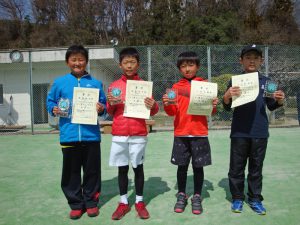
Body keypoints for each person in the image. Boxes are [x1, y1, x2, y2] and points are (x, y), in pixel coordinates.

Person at [223, 44, 285, 215]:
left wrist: (279, 100)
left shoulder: (268, 82)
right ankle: (237, 198)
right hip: (239, 132)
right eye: (248, 57)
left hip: (259, 132)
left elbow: (271, 106)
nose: (252, 60)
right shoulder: (234, 81)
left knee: (256, 168)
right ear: (241, 60)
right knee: (236, 168)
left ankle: (255, 199)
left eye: (256, 58)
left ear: (261, 61)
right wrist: (226, 96)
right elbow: (227, 107)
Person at [47, 45, 106, 219]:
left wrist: (101, 108)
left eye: (81, 59)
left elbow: (104, 106)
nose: (77, 63)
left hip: (91, 136)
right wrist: (54, 109)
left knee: (92, 171)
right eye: (73, 59)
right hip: (69, 135)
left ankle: (91, 202)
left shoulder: (95, 83)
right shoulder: (59, 83)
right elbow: (50, 102)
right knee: (71, 172)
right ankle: (75, 203)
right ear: (67, 62)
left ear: (86, 61)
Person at [162, 51, 218, 215]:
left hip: (199, 133)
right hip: (181, 133)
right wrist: (167, 104)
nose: (187, 69)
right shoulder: (175, 88)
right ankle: (181, 194)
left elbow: (212, 112)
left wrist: (213, 104)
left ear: (198, 66)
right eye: (183, 66)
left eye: (190, 65)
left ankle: (197, 195)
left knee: (198, 167)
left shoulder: (206, 86)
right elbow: (172, 112)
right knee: (182, 167)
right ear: (179, 69)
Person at [106, 47, 159, 220]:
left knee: (138, 168)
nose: (129, 65)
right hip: (120, 133)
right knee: (122, 169)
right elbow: (110, 111)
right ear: (120, 65)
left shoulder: (144, 86)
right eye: (126, 62)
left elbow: (154, 109)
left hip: (138, 133)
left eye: (132, 62)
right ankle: (123, 202)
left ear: (138, 64)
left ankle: (139, 201)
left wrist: (153, 105)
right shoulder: (114, 86)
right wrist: (112, 103)